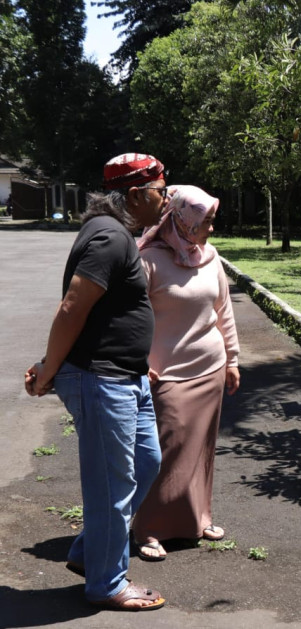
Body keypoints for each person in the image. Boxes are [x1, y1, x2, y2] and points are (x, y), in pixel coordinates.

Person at [24, 153, 169, 611]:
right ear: (135, 195)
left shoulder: (112, 233)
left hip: (123, 374)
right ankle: (107, 584)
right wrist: (49, 369)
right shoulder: (109, 236)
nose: (165, 199)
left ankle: (90, 551)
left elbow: (103, 313)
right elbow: (72, 308)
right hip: (102, 380)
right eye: (160, 191)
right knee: (112, 483)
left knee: (145, 462)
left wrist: (132, 359)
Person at [131, 185, 240, 561]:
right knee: (164, 454)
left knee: (201, 449)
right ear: (182, 220)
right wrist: (138, 363)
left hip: (210, 368)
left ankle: (199, 516)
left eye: (211, 221)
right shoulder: (148, 259)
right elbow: (131, 320)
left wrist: (233, 359)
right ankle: (148, 529)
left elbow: (223, 310)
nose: (210, 228)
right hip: (165, 374)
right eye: (205, 222)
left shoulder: (210, 257)